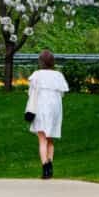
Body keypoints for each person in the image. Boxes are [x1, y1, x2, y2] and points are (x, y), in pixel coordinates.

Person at [25, 50, 69, 179]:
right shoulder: (58, 75)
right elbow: (62, 93)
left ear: (41, 62)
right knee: (50, 138)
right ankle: (50, 163)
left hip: (41, 107)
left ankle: (45, 167)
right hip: (55, 107)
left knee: (42, 138)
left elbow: (31, 92)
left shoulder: (37, 75)